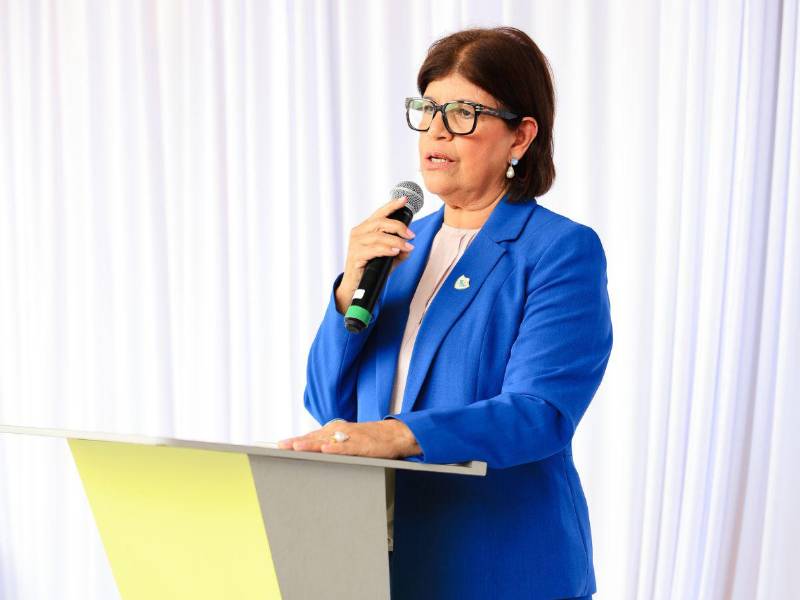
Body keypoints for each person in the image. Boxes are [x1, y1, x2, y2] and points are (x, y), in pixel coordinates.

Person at [278, 26, 612, 600]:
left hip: (501, 566)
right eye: (428, 108)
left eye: (462, 112)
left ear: (520, 136)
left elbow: (540, 414)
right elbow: (328, 405)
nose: (436, 129)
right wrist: (347, 293)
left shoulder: (558, 251)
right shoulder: (395, 249)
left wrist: (396, 434)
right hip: (376, 563)